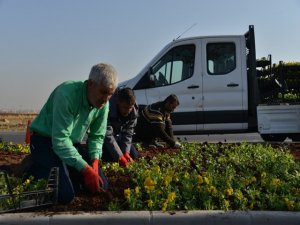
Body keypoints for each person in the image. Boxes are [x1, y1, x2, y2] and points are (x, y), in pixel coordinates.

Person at [26, 63, 118, 204]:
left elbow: (97, 136)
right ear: (91, 84)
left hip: (70, 144)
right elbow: (60, 141)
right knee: (65, 195)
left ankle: (62, 169)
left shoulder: (103, 105)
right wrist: (85, 170)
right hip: (45, 140)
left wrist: (94, 162)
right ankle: (32, 167)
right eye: (103, 92)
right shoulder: (67, 95)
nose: (106, 99)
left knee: (101, 185)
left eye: (110, 94)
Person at [102, 87, 139, 167]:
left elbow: (128, 133)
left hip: (118, 138)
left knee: (134, 155)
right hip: (105, 139)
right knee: (111, 158)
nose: (128, 111)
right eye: (125, 107)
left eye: (130, 107)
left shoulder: (133, 112)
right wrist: (119, 156)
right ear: (118, 102)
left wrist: (125, 152)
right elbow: (107, 135)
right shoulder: (108, 108)